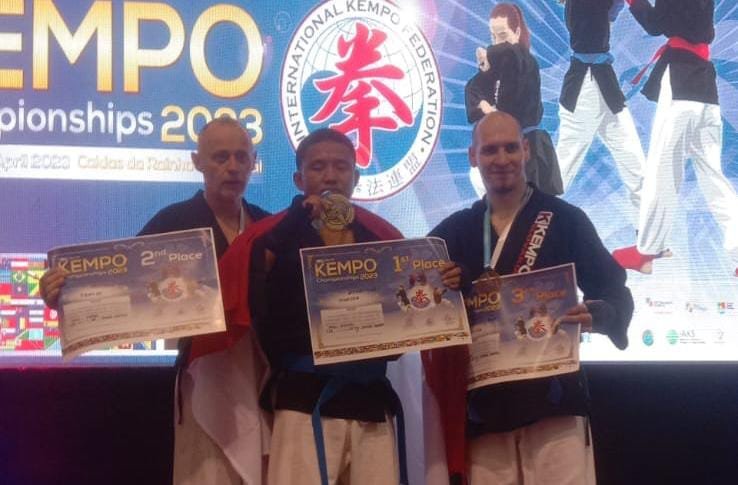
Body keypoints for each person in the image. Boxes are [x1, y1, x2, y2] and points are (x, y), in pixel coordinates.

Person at [39, 115, 271, 485]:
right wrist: (65, 295)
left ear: (253, 162)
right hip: (203, 378)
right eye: (220, 157)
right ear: (197, 162)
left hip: (263, 380)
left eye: (241, 157)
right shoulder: (174, 221)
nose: (232, 167)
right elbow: (122, 285)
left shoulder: (266, 226)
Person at [217, 128, 450, 485]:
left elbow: (409, 320)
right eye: (318, 167)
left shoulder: (382, 238)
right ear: (299, 179)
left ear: (356, 177)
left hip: (370, 402)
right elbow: (246, 297)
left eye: (341, 167)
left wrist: (446, 286)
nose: (330, 176)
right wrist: (292, 224)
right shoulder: (274, 238)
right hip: (303, 401)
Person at [423, 112, 633, 484]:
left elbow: (613, 288)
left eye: (510, 148)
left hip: (554, 399)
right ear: (473, 156)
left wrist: (598, 314)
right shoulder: (453, 233)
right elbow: (417, 292)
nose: (501, 159)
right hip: (485, 403)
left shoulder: (565, 219)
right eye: (490, 150)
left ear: (525, 150)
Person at [613, 0, 738, 276]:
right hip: (705, 85)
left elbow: (656, 24)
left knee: (662, 171)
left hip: (681, 83)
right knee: (713, 175)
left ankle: (647, 250)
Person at [555, 0, 645, 218]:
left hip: (603, 83)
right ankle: (525, 222)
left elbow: (612, 10)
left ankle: (646, 231)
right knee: (563, 167)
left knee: (632, 158)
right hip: (584, 86)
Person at [465, 3, 563, 196]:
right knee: (477, 176)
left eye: (502, 35)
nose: (497, 43)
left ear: (517, 32)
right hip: (504, 149)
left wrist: (489, 54)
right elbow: (473, 89)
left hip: (529, 151)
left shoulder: (524, 61)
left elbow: (510, 53)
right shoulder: (495, 68)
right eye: (493, 37)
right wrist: (485, 106)